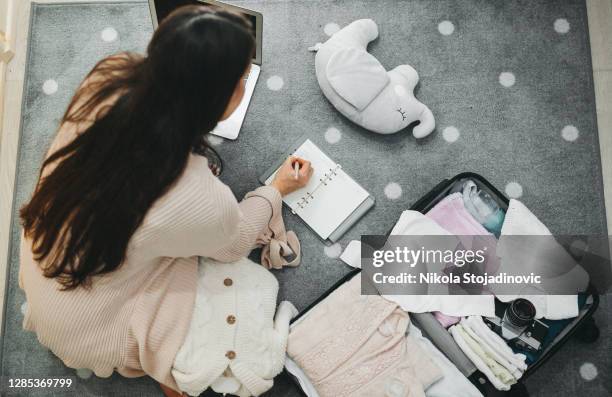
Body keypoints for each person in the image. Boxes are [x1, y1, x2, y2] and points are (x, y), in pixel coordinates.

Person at [18, 5, 312, 396]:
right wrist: (277, 189)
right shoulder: (198, 195)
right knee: (230, 304)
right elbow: (236, 242)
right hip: (92, 324)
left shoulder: (109, 74)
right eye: (242, 79)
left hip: (47, 259)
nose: (245, 85)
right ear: (220, 100)